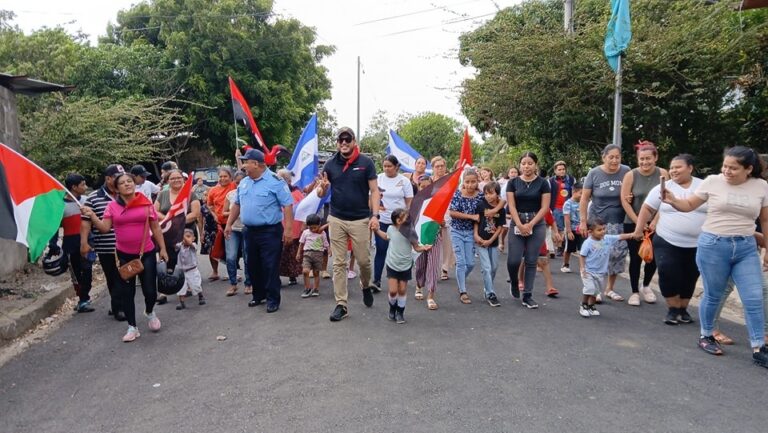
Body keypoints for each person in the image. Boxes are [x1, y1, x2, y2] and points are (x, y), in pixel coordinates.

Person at [662, 146, 768, 367]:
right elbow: (689, 204)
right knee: (714, 294)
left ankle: (759, 347)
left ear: (748, 169)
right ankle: (706, 335)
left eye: (733, 168)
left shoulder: (761, 186)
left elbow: (765, 221)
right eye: (725, 166)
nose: (726, 171)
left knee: (754, 296)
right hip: (713, 245)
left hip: (746, 247)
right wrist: (672, 200)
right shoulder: (713, 181)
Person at [82, 172, 169, 343]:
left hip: (147, 252)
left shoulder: (146, 203)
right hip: (124, 256)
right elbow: (105, 228)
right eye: (122, 183)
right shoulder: (112, 207)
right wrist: (92, 216)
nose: (127, 184)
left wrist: (163, 249)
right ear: (117, 188)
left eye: (130, 181)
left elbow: (156, 228)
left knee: (150, 291)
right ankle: (132, 327)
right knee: (127, 293)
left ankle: (150, 311)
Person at [316, 127, 380, 322]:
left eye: (347, 139)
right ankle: (341, 305)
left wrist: (375, 215)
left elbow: (375, 191)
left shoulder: (366, 163)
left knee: (363, 261)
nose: (343, 142)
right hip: (336, 218)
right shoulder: (330, 164)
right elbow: (320, 193)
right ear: (337, 143)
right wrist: (323, 188)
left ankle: (366, 285)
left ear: (353, 141)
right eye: (340, 139)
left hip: (360, 219)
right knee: (339, 262)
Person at [631, 154, 705, 325]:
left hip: (698, 243)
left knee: (690, 275)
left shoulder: (703, 187)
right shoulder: (662, 188)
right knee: (667, 271)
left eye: (678, 167)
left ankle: (683, 309)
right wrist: (638, 229)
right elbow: (647, 208)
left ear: (690, 168)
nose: (673, 171)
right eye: (671, 167)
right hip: (667, 240)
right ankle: (672, 309)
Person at [224, 149, 295, 314]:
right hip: (249, 231)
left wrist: (289, 230)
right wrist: (229, 224)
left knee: (270, 266)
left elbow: (287, 205)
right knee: (253, 264)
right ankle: (258, 295)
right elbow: (237, 204)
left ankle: (272, 299)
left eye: (246, 162)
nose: (243, 165)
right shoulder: (244, 182)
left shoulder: (275, 181)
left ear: (256, 164)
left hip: (270, 231)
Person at [579, 144, 631, 303]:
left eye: (617, 157)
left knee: (617, 255)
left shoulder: (626, 171)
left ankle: (609, 288)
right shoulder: (594, 173)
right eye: (611, 157)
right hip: (598, 222)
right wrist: (583, 221)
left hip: (619, 220)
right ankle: (595, 289)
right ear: (604, 157)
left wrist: (630, 198)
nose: (614, 160)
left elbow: (631, 192)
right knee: (597, 255)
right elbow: (584, 198)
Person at [621, 141, 667, 306]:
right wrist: (638, 222)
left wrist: (654, 221)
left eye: (648, 159)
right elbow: (625, 201)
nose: (645, 162)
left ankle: (646, 286)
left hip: (657, 223)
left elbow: (666, 200)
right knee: (635, 258)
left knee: (652, 258)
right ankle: (634, 292)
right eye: (641, 159)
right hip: (633, 222)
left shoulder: (663, 174)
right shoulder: (631, 175)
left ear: (656, 158)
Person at [506, 152, 551, 309]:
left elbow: (545, 207)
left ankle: (528, 295)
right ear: (520, 165)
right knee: (514, 260)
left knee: (531, 260)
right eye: (523, 163)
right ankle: (513, 282)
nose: (526, 166)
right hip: (517, 222)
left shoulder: (543, 183)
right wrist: (519, 224)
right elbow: (511, 205)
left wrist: (531, 224)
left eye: (530, 163)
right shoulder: (513, 183)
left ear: (535, 165)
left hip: (536, 223)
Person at [80, 164, 125, 321]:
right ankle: (118, 307)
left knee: (125, 276)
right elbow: (85, 223)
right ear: (108, 179)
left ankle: (118, 304)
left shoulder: (126, 195)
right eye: (117, 178)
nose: (122, 181)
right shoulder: (93, 198)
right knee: (113, 277)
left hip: (127, 246)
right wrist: (84, 243)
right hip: (106, 247)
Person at [373, 208, 431, 324]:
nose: (409, 218)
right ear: (398, 221)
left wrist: (423, 248)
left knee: (403, 289)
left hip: (405, 265)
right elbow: (386, 236)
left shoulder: (411, 232)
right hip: (392, 264)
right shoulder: (391, 229)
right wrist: (377, 230)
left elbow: (416, 247)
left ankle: (400, 312)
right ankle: (392, 309)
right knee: (393, 291)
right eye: (406, 217)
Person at [154, 169, 201, 304]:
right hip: (167, 234)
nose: (176, 180)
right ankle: (165, 290)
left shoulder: (191, 195)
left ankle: (188, 284)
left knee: (186, 259)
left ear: (184, 179)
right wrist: (169, 220)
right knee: (168, 260)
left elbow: (195, 214)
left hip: (187, 231)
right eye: (172, 178)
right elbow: (155, 211)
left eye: (178, 178)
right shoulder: (162, 195)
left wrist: (178, 222)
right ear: (168, 181)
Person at [579, 217, 636, 318]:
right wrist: (583, 269)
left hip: (600, 272)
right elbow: (582, 256)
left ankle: (591, 306)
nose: (603, 232)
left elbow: (620, 236)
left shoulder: (607, 239)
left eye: (604, 229)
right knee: (589, 288)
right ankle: (583, 305)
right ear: (590, 232)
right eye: (599, 230)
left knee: (596, 291)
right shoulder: (588, 243)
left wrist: (632, 235)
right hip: (588, 271)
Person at [373, 155, 414, 291]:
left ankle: (400, 278)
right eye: (384, 166)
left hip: (399, 223)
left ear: (397, 166)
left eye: (389, 166)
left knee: (400, 251)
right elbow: (372, 197)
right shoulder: (378, 178)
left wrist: (407, 219)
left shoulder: (404, 181)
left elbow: (409, 201)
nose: (386, 169)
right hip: (383, 220)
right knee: (381, 249)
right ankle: (376, 280)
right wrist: (373, 215)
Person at [449, 167, 485, 304]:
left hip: (471, 232)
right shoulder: (458, 194)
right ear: (463, 182)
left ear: (477, 182)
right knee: (461, 262)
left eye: (473, 182)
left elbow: (485, 211)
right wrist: (471, 216)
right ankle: (463, 291)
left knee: (470, 263)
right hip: (457, 231)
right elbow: (452, 212)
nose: (470, 185)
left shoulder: (480, 196)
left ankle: (461, 279)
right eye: (467, 182)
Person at [59, 173, 94, 313]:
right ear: (73, 187)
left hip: (87, 241)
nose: (85, 187)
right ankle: (83, 299)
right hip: (70, 243)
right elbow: (55, 226)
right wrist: (53, 245)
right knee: (76, 273)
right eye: (82, 185)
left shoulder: (86, 201)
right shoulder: (60, 205)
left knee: (87, 271)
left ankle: (85, 296)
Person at [413, 175, 443, 310]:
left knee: (433, 267)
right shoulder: (415, 202)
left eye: (428, 186)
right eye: (422, 186)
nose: (425, 189)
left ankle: (431, 295)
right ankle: (419, 285)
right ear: (418, 187)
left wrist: (441, 223)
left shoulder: (438, 201)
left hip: (434, 238)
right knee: (420, 265)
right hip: (419, 239)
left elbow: (443, 220)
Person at [474, 181, 506, 307]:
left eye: (491, 193)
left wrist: (491, 240)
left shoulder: (500, 209)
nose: (488, 196)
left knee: (494, 267)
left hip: (492, 242)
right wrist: (476, 235)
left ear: (497, 194)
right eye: (486, 193)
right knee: (486, 268)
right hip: (481, 242)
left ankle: (488, 287)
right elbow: (476, 221)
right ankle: (490, 293)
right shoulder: (481, 205)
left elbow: (499, 227)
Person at [222, 170, 251, 296]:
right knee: (230, 257)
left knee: (247, 257)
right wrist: (235, 212)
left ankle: (249, 283)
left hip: (247, 228)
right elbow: (224, 212)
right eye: (237, 182)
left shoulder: (251, 193)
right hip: (233, 229)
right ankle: (233, 283)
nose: (239, 184)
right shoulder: (231, 195)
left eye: (241, 182)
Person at [206, 167, 236, 281]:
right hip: (216, 223)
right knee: (213, 247)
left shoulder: (234, 186)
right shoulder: (213, 190)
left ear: (230, 177)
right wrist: (214, 215)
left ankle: (232, 272)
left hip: (231, 222)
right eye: (221, 176)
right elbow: (210, 205)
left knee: (231, 250)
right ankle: (215, 271)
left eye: (225, 176)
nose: (223, 179)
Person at [276, 168, 304, 286]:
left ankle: (293, 276)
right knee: (279, 255)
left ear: (288, 181)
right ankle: (276, 278)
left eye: (284, 179)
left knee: (292, 254)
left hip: (294, 229)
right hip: (278, 228)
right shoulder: (275, 192)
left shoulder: (297, 193)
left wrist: (304, 225)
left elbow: (304, 209)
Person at [431, 156, 454, 281]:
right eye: (437, 166)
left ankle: (444, 268)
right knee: (433, 243)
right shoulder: (429, 181)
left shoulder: (451, 181)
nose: (440, 168)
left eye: (442, 166)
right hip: (432, 214)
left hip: (446, 214)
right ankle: (433, 267)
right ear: (433, 168)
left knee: (446, 242)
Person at [296, 214, 329, 298]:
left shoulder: (322, 233)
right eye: (311, 228)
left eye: (315, 227)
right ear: (308, 226)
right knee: (305, 271)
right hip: (307, 254)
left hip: (318, 255)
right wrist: (298, 253)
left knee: (316, 273)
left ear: (319, 225)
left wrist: (329, 250)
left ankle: (316, 288)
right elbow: (301, 243)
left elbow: (326, 243)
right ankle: (307, 288)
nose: (313, 230)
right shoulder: (305, 233)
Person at [548, 161, 575, 255]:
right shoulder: (550, 181)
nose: (562, 171)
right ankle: (559, 247)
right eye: (559, 170)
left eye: (563, 169)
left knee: (568, 227)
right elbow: (548, 195)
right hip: (556, 207)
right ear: (555, 171)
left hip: (568, 207)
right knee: (559, 228)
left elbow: (575, 193)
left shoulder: (571, 179)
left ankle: (565, 246)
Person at [175, 229, 206, 310]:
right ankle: (181, 302)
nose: (186, 239)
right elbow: (174, 247)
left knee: (196, 285)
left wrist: (184, 237)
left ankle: (200, 296)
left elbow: (189, 243)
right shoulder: (180, 246)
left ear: (193, 238)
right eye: (184, 237)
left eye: (188, 236)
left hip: (192, 270)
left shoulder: (193, 246)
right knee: (181, 287)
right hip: (182, 271)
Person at [561, 182, 584, 273]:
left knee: (583, 249)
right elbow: (567, 218)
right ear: (574, 191)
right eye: (581, 193)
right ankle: (565, 264)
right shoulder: (568, 203)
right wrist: (569, 231)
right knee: (569, 249)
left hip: (582, 229)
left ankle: (583, 267)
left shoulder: (584, 202)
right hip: (572, 229)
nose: (582, 195)